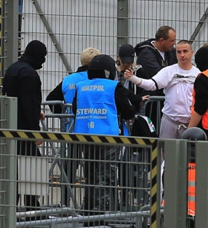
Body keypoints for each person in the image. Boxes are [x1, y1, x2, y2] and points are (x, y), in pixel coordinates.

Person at [73, 54, 145, 213]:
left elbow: (74, 109)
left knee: (90, 174)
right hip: (108, 136)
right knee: (106, 175)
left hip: (85, 136)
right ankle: (103, 211)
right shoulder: (113, 86)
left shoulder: (81, 86)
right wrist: (136, 107)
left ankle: (89, 209)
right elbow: (127, 111)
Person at [45, 46, 100, 206]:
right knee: (92, 167)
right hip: (91, 128)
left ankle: (64, 201)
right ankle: (89, 204)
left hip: (71, 129)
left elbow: (51, 98)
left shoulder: (68, 79)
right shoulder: (94, 80)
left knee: (70, 165)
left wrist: (64, 116)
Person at [3, 40, 48, 210]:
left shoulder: (13, 69)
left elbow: (15, 99)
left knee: (14, 171)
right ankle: (31, 210)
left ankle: (13, 210)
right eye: (43, 57)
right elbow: (29, 104)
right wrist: (34, 132)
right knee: (33, 168)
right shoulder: (29, 74)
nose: (43, 61)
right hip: (23, 132)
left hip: (10, 128)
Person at [126, 40, 199, 139]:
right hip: (169, 120)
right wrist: (132, 78)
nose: (182, 55)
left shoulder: (198, 74)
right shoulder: (168, 71)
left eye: (185, 51)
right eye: (179, 52)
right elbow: (151, 85)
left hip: (190, 122)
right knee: (165, 153)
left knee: (189, 153)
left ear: (192, 53)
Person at [135, 26, 177, 126]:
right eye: (172, 40)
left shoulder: (172, 52)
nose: (174, 43)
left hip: (166, 101)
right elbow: (159, 77)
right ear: (162, 40)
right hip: (152, 101)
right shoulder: (146, 54)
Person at [46, 47, 101, 115]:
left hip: (71, 124)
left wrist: (63, 116)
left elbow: (51, 98)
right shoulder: (96, 79)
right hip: (91, 122)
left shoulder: (67, 80)